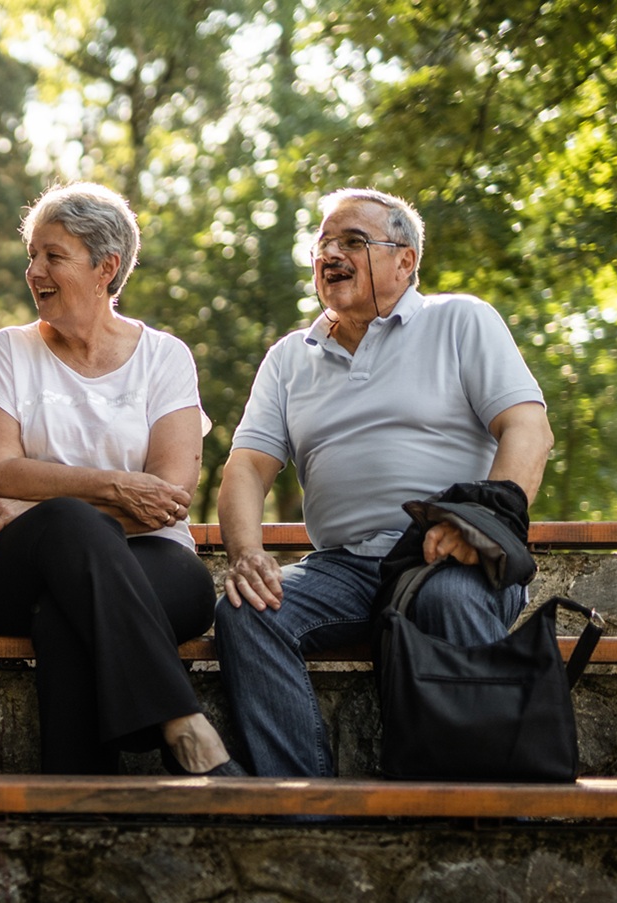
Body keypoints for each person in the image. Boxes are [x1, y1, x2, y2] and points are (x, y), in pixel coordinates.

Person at [213, 188, 553, 778]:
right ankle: (304, 807)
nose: (330, 254)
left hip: (447, 556)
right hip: (342, 568)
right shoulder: (290, 358)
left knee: (447, 598)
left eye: (352, 241)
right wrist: (247, 553)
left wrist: (481, 526)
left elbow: (528, 428)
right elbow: (245, 466)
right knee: (248, 610)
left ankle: (487, 809)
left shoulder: (460, 320)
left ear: (405, 260)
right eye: (323, 244)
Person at [0, 182, 243, 777]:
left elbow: (168, 497)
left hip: (157, 562)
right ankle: (181, 722)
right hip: (12, 573)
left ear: (105, 268)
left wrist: (35, 504)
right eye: (32, 256)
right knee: (66, 523)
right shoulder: (10, 349)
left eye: (53, 256)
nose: (34, 271)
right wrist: (111, 489)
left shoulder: (165, 357)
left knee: (65, 612)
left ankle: (75, 811)